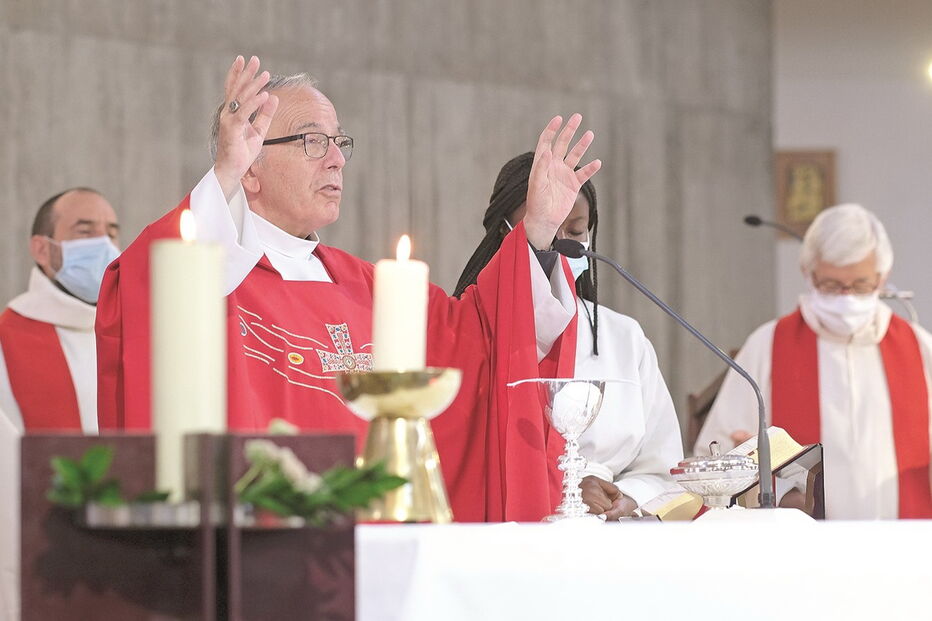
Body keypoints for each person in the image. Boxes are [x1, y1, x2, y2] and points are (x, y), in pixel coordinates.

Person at [97, 56, 601, 522]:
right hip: (260, 546)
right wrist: (222, 172)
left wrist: (536, 232)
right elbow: (147, 289)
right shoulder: (204, 278)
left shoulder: (377, 291)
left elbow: (486, 343)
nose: (336, 159)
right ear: (251, 166)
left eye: (340, 142)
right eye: (313, 141)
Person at [455, 152, 684, 519]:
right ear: (505, 234)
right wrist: (558, 488)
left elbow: (663, 469)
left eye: (576, 232)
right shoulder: (472, 331)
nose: (562, 245)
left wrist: (621, 496)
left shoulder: (623, 338)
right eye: (546, 230)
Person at [696, 204, 932, 519]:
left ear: (883, 276)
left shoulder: (918, 347)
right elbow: (715, 462)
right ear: (808, 273)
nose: (847, 297)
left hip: (903, 547)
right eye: (831, 285)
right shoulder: (768, 345)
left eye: (861, 285)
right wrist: (770, 484)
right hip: (800, 551)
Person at [0, 188, 120, 433]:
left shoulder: (134, 334)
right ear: (42, 249)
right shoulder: (6, 341)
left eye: (111, 233)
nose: (104, 245)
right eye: (85, 232)